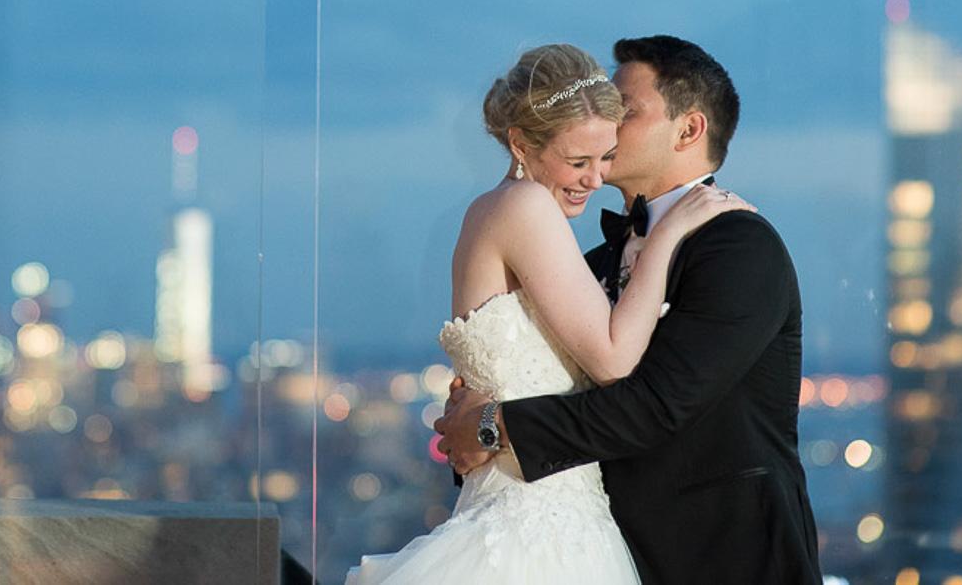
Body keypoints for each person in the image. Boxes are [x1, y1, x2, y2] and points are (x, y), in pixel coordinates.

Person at [344, 43, 751, 584]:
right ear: (520, 144)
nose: (594, 178)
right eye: (578, 162)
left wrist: (486, 424)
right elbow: (613, 361)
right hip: (539, 530)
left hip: (530, 513)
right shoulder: (526, 206)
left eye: (604, 158)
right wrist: (669, 234)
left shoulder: (497, 213)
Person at [437, 35, 822, 585]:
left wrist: (494, 427)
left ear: (688, 130)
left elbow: (656, 405)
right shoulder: (591, 259)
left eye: (626, 110)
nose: (609, 124)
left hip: (727, 560)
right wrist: (481, 424)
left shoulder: (739, 246)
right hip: (599, 553)